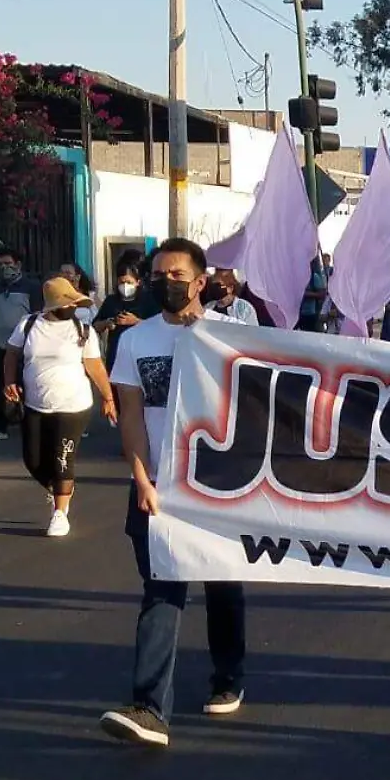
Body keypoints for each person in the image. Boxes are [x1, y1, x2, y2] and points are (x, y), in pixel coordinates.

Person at [99, 238, 248, 748]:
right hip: (159, 486)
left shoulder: (231, 336)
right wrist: (142, 478)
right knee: (162, 590)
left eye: (176, 274)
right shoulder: (136, 342)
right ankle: (149, 708)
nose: (165, 282)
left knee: (223, 585)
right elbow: (134, 417)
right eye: (157, 274)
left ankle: (228, 676)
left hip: (218, 489)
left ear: (200, 281)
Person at [4, 277, 118, 538]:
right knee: (32, 460)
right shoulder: (29, 325)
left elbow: (95, 367)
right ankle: (59, 488)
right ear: (53, 305)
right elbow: (11, 354)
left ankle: (60, 513)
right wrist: (9, 382)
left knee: (63, 458)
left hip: (73, 405)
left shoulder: (83, 330)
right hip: (35, 404)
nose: (73, 307)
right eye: (69, 303)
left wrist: (108, 398)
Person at [0, 249, 45, 441]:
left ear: (18, 265)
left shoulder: (31, 287)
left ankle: (16, 422)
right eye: (0, 265)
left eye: (8, 264)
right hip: (0, 345)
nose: (4, 268)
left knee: (25, 386)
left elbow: (38, 314)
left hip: (23, 347)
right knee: (2, 384)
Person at [92, 264, 160, 366]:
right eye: (121, 282)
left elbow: (158, 325)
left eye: (129, 282)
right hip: (116, 355)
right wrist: (107, 323)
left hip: (142, 354)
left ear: (138, 282)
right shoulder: (111, 301)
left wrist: (136, 321)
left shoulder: (148, 300)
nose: (125, 286)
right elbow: (95, 325)